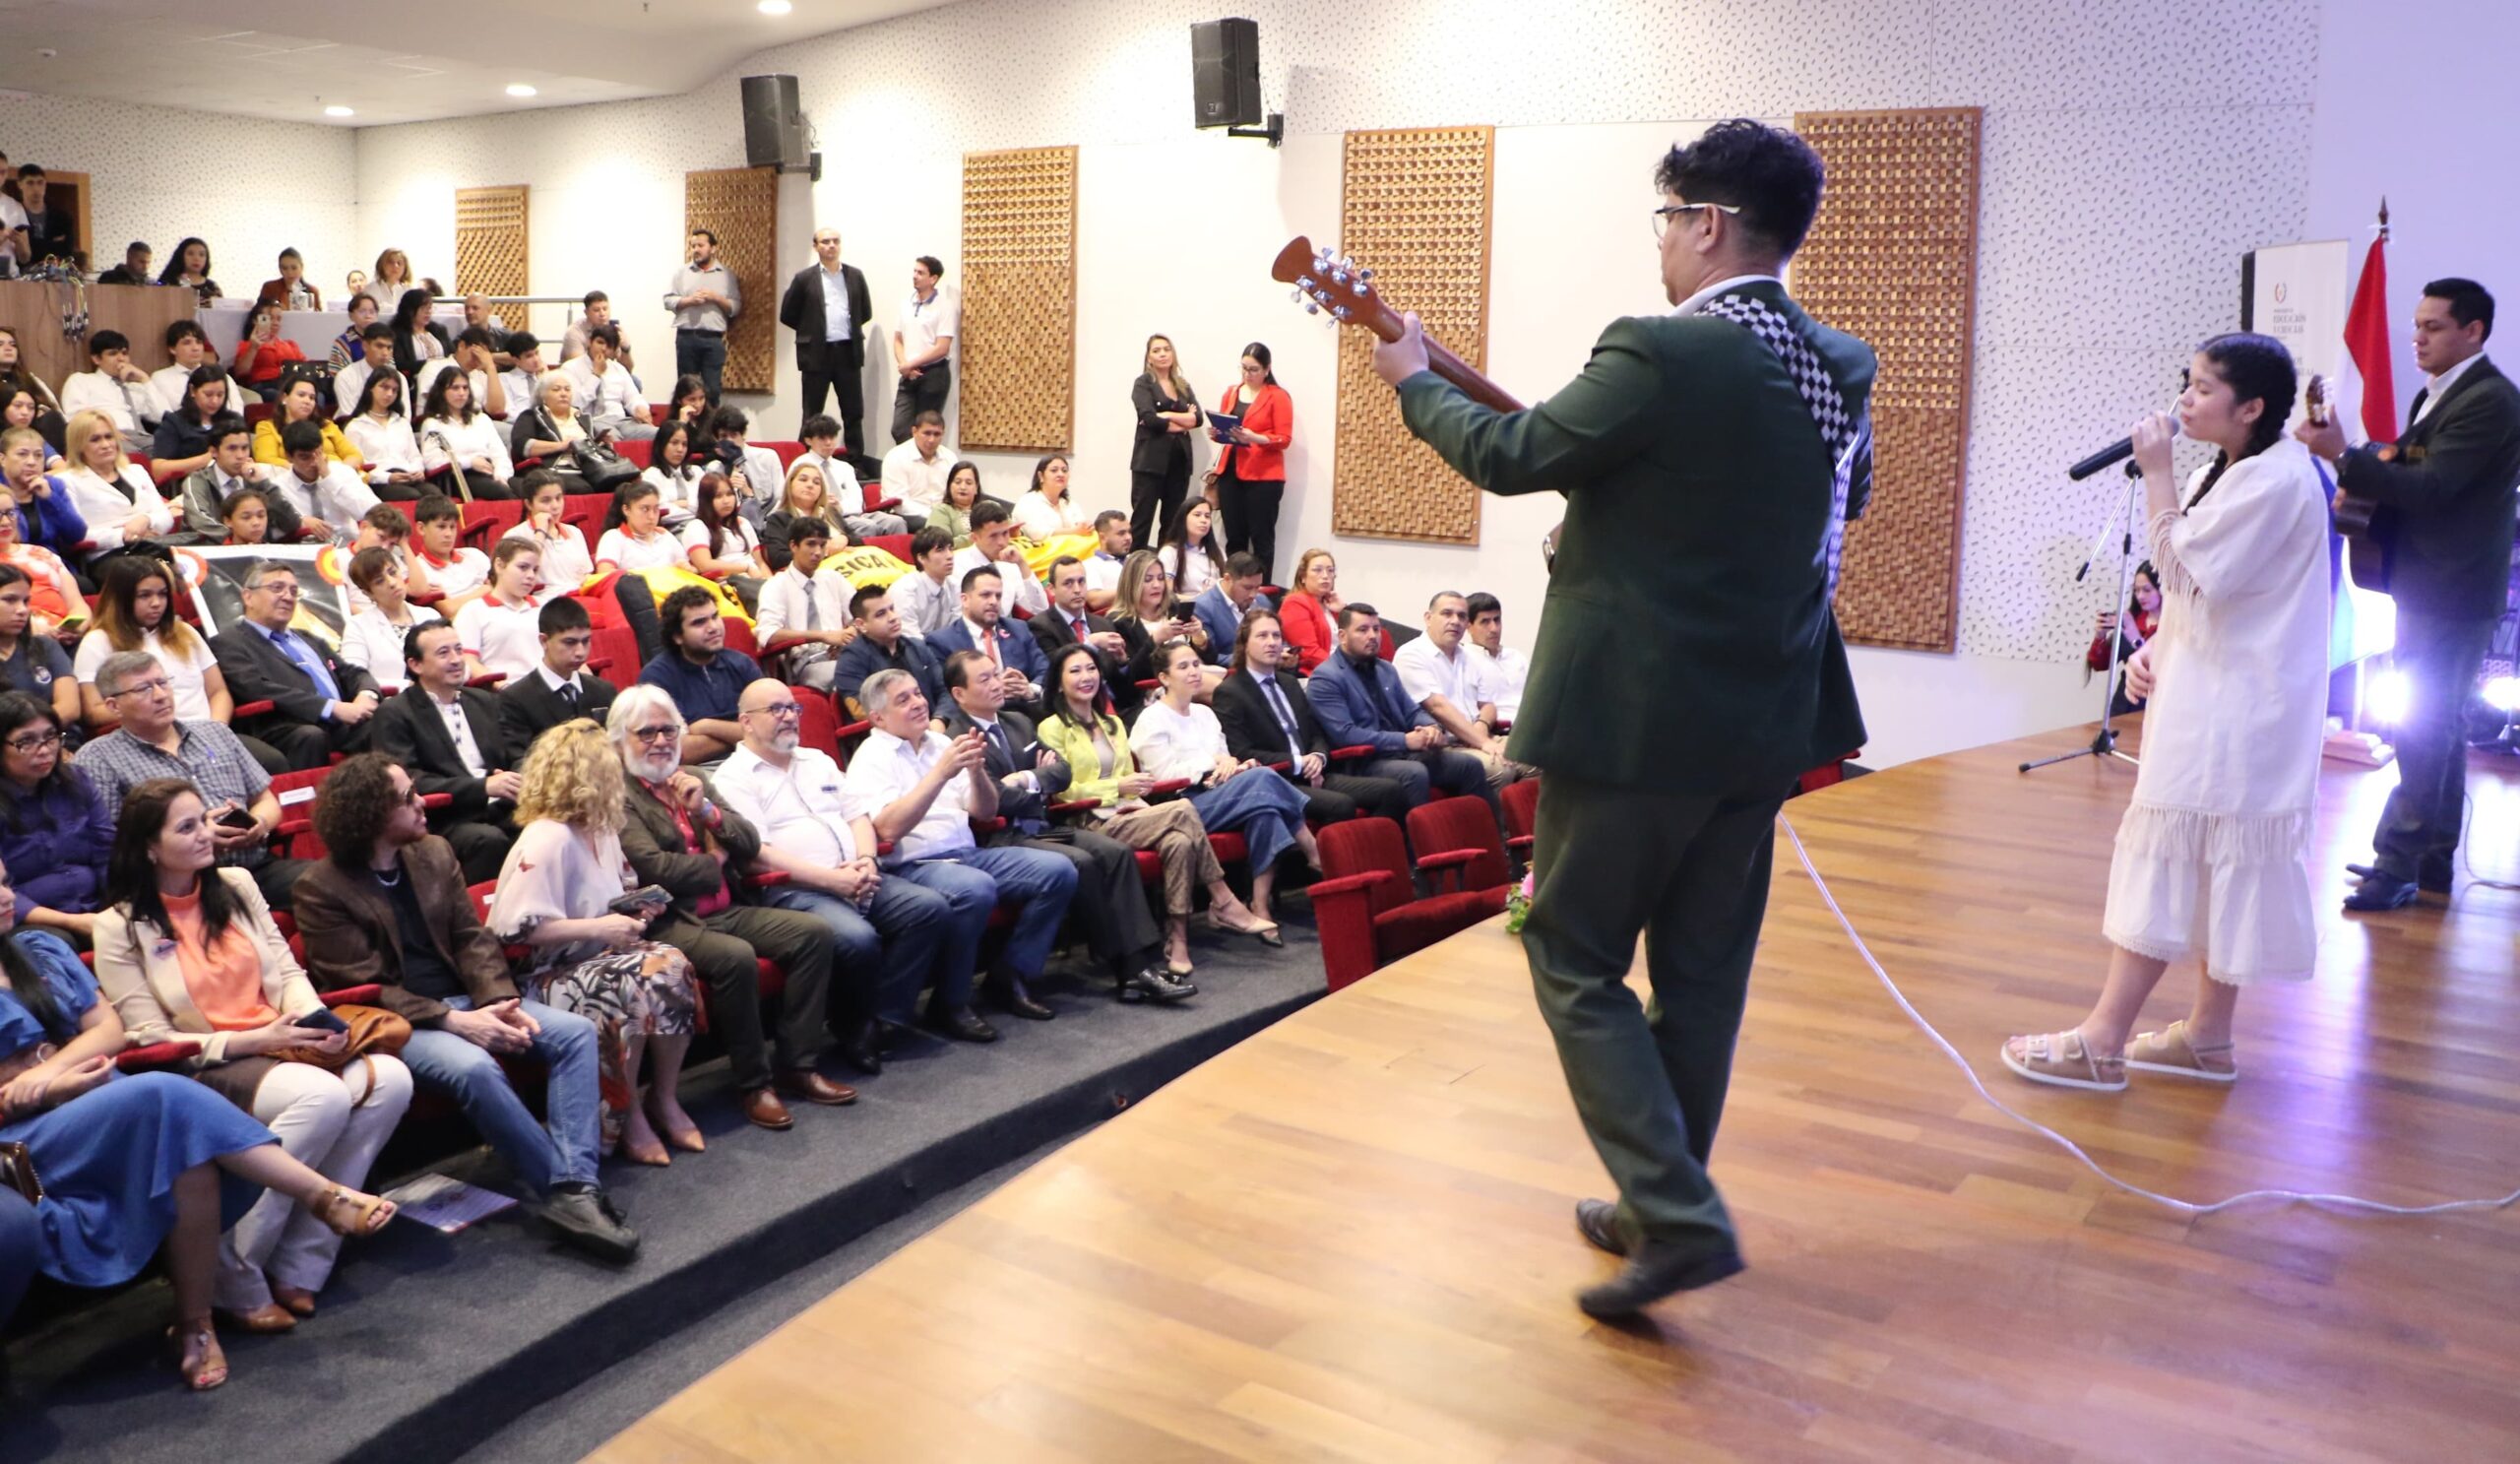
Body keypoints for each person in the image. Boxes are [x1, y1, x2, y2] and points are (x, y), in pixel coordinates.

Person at [1370, 120, 1875, 1315]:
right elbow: (1819, 498)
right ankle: (1658, 1205)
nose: (1662, 243)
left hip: (1639, 720)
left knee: (1569, 949)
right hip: (1766, 719)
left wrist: (1411, 383)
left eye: (1667, 218)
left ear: (1706, 222)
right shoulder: (1837, 362)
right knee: (1701, 977)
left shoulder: (1661, 346)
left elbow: (1512, 453)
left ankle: (1680, 1212)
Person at [2003, 335, 2330, 1098]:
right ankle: (2208, 1037)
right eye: (2188, 381)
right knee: (2215, 862)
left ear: (2251, 407)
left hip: (2234, 710)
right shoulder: (2243, 467)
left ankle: (2101, 1041)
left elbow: (2181, 568)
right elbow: (2220, 589)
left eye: (2205, 387)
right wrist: (2157, 647)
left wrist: (2157, 473)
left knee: (2179, 857)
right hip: (2224, 694)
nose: (2186, 397)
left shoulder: (2274, 479)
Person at [1, 867, 391, 1392]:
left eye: (7, 882)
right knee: (166, 1095)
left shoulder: (40, 948)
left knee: (189, 1151)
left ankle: (196, 1326)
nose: (7, 896)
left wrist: (47, 1070)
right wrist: (50, 1088)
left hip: (99, 1096)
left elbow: (109, 1031)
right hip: (25, 1130)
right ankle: (321, 1194)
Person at [94, 778, 414, 1329]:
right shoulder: (118, 925)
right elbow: (148, 1037)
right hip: (209, 1062)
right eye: (187, 827)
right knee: (322, 1096)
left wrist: (315, 1021)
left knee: (390, 1078)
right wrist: (252, 1041)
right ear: (149, 847)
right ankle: (233, 1271)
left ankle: (301, 1263)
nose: (206, 833)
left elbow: (287, 972)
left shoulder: (237, 884)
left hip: (282, 1038)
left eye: (204, 819)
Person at [293, 754, 636, 1261]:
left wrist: (499, 1001)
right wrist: (454, 1020)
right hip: (403, 1022)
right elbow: (364, 986)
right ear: (371, 815)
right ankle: (566, 1193)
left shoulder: (433, 852)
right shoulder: (321, 888)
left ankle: (575, 1186)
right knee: (474, 1067)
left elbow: (471, 938)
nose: (422, 803)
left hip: (469, 1001)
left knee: (575, 1034)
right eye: (407, 798)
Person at [2299, 277, 2520, 910]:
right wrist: (2363, 469)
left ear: (2473, 331)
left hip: (2453, 587)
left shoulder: (2491, 400)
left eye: (2433, 327)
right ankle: (2430, 861)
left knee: (2423, 726)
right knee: (2438, 723)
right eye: (2417, 325)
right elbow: (2409, 466)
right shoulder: (2440, 392)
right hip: (2432, 582)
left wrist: (2346, 457)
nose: (2417, 338)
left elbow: (2435, 486)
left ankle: (2397, 863)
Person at [607, 685, 850, 1125]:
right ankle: (754, 1085)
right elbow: (656, 869)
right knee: (735, 958)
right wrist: (716, 861)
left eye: (669, 730)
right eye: (647, 733)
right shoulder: (619, 796)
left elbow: (749, 840)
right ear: (621, 740)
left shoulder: (693, 777)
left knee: (813, 934)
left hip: (726, 908)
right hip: (668, 921)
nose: (661, 741)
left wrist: (708, 813)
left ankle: (798, 1065)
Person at [485, 719, 704, 1166]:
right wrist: (600, 928)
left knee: (672, 964)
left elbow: (617, 895)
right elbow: (516, 931)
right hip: (547, 973)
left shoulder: (602, 828)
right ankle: (628, 1114)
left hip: (601, 955)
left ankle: (663, 1096)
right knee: (630, 981)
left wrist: (636, 911)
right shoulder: (546, 837)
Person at [716, 677, 961, 1069]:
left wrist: (866, 859)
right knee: (858, 939)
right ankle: (854, 1024)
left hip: (855, 875)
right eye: (775, 710)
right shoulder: (732, 778)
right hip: (796, 890)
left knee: (928, 909)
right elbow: (756, 856)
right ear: (745, 721)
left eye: (792, 708)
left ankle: (880, 1018)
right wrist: (831, 880)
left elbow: (858, 816)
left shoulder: (818, 760)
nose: (789, 717)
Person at [935, 654, 1188, 1004]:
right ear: (959, 694)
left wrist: (1026, 778)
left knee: (1115, 853)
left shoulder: (1018, 721)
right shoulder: (957, 738)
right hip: (999, 836)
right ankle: (1131, 970)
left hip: (1041, 826)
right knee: (1082, 863)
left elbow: (1062, 773)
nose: (996, 684)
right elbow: (996, 799)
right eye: (984, 679)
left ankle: (1141, 963)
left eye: (996, 674)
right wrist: (1038, 785)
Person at [843, 668, 1077, 1035]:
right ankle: (951, 1003)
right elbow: (887, 829)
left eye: (917, 693)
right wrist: (940, 774)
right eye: (903, 699)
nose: (918, 703)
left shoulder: (940, 743)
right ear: (878, 718)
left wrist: (977, 772)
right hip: (914, 864)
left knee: (1058, 871)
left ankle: (1010, 975)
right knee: (974, 888)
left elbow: (985, 811)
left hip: (967, 853)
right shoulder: (871, 756)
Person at [1032, 645, 1276, 977]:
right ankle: (1223, 898)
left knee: (1180, 841)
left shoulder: (1113, 724)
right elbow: (1063, 789)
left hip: (1131, 812)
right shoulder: (1051, 728)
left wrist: (1133, 789)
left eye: (1091, 669)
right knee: (1183, 809)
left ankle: (1179, 941)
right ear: (1059, 684)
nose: (1086, 677)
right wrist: (1117, 787)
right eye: (1075, 671)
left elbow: (1129, 782)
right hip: (1088, 820)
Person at [1130, 641, 1320, 925]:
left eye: (1196, 664)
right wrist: (1213, 763)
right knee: (1263, 779)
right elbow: (1164, 776)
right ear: (1164, 678)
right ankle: (1313, 850)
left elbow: (1224, 758)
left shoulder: (1205, 713)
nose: (1194, 671)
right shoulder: (1151, 719)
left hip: (1219, 790)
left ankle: (1259, 904)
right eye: (1183, 667)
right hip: (1180, 805)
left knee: (1265, 810)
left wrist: (1235, 765)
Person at [1307, 603, 1502, 823]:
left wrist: (1431, 727)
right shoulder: (1327, 678)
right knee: (1414, 773)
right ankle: (1421, 842)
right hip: (1363, 762)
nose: (1372, 636)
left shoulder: (1385, 669)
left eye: (1376, 629)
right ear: (1342, 636)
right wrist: (1405, 740)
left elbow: (1412, 712)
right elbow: (1345, 735)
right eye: (1363, 630)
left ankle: (1483, 836)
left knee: (1469, 765)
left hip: (1401, 753)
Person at [1215, 610, 1410, 824]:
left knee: (1391, 791)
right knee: (1341, 804)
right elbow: (1242, 752)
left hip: (1314, 772)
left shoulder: (1289, 682)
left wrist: (1318, 756)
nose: (1271, 642)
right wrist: (1299, 763)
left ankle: (1368, 845)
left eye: (1276, 636)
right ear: (1244, 643)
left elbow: (1316, 731)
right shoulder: (1231, 692)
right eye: (1262, 636)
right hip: (1277, 780)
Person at [377, 620, 526, 884]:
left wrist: (517, 776)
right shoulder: (395, 713)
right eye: (444, 653)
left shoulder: (483, 701)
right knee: (486, 840)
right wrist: (482, 787)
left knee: (549, 823)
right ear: (416, 665)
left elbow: (515, 752)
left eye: (459, 650)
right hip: (446, 816)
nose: (457, 660)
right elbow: (410, 780)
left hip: (502, 806)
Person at [212, 558, 385, 769]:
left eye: (294, 591)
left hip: (340, 723)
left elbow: (352, 673)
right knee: (311, 736)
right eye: (277, 588)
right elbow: (255, 688)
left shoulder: (308, 639)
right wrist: (330, 708)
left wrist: (366, 695)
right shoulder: (229, 642)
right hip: (285, 726)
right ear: (248, 596)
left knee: (391, 715)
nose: (287, 597)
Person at [75, 554, 246, 738]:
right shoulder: (97, 642)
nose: (156, 603)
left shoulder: (185, 632)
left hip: (208, 734)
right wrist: (141, 710)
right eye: (144, 595)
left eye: (162, 594)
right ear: (121, 599)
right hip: (149, 741)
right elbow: (93, 712)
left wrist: (216, 730)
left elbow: (218, 692)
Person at [1393, 590, 1537, 795]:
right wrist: (1483, 742)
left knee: (1536, 757)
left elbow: (1488, 705)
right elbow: (1438, 707)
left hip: (1476, 736)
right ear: (1428, 618)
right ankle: (1492, 816)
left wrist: (1481, 727)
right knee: (1500, 769)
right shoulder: (1411, 654)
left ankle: (1524, 815)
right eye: (1447, 614)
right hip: (1442, 746)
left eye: (1461, 616)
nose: (1455, 621)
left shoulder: (1467, 655)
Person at [0, 692, 112, 938]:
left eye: (50, 737)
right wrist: (74, 922)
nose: (44, 750)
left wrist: (118, 906)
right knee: (57, 941)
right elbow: (4, 896)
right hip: (29, 922)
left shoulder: (77, 781)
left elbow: (107, 850)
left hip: (96, 909)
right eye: (26, 741)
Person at [637, 584, 761, 764]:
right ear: (677, 636)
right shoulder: (657, 677)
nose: (713, 627)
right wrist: (742, 735)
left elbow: (768, 729)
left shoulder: (741, 664)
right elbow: (678, 751)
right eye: (699, 622)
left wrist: (707, 726)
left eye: (715, 616)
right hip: (700, 770)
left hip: (756, 760)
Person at [780, 227, 875, 455]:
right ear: (815, 246)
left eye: (835, 241)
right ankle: (805, 458)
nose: (831, 245)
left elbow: (865, 311)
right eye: (825, 241)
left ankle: (855, 460)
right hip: (816, 353)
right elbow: (788, 314)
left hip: (847, 351)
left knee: (853, 412)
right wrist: (811, 330)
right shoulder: (804, 279)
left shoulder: (854, 276)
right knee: (812, 412)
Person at [1205, 342, 1292, 578]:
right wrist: (1217, 433)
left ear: (1267, 369)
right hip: (1231, 471)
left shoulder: (1277, 396)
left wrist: (1255, 437)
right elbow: (1227, 429)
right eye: (1243, 368)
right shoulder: (1232, 392)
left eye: (1253, 369)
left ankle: (1261, 590)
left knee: (1262, 538)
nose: (1247, 374)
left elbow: (1284, 439)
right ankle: (1234, 586)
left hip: (1264, 477)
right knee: (1234, 536)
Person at [498, 596, 619, 751]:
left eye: (585, 641)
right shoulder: (516, 699)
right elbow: (519, 759)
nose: (580, 652)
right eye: (569, 642)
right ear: (544, 641)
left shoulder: (604, 691)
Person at [753, 516, 855, 690]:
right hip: (804, 663)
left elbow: (860, 616)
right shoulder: (776, 585)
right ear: (793, 546)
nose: (818, 552)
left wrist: (850, 633)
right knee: (850, 674)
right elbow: (767, 635)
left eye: (822, 545)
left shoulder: (833, 578)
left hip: (842, 655)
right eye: (811, 544)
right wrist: (822, 636)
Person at [930, 565, 1047, 716]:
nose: (994, 601)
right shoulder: (942, 642)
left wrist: (1030, 689)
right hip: (975, 718)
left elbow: (1044, 669)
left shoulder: (1018, 629)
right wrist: (993, 687)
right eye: (985, 595)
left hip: (1024, 712)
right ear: (965, 600)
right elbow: (946, 694)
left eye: (998, 596)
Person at [1028, 554, 1136, 717]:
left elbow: (1121, 687)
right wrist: (1090, 643)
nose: (1077, 589)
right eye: (1068, 583)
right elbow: (1055, 674)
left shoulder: (1103, 624)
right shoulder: (1040, 626)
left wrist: (1122, 663)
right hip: (1072, 713)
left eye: (1081, 581)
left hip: (1118, 708)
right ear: (1051, 589)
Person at [58, 408, 176, 551]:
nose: (105, 445)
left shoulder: (137, 471)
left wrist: (146, 519)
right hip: (108, 553)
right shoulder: (66, 481)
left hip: (154, 543)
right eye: (95, 440)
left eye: (109, 437)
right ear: (78, 446)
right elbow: (74, 535)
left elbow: (165, 516)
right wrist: (124, 535)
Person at [1109, 549, 1218, 705]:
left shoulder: (1174, 608)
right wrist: (1156, 639)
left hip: (1195, 675)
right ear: (1132, 584)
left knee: (1227, 693)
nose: (1157, 585)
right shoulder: (1118, 622)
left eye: (1161, 578)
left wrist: (1199, 636)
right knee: (1224, 693)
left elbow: (1211, 659)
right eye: (1148, 580)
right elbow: (1131, 677)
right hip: (1155, 690)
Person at [334, 544, 443, 693]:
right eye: (379, 581)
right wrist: (408, 686)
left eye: (393, 572)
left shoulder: (430, 616)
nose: (392, 582)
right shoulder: (358, 626)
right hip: (391, 702)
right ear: (368, 593)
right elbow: (354, 677)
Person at [832, 582, 946, 721]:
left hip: (933, 725)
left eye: (892, 609)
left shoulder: (918, 647)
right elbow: (861, 711)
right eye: (881, 614)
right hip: (887, 731)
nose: (893, 617)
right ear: (861, 625)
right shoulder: (851, 660)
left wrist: (940, 719)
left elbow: (944, 690)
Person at [1130, 335, 1203, 547]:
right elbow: (1150, 418)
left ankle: (1166, 565)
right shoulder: (1143, 383)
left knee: (1172, 523)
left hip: (1179, 463)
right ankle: (1134, 563)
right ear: (1148, 357)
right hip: (1149, 464)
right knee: (1142, 521)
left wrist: (1167, 415)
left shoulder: (1182, 385)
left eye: (1166, 349)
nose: (1162, 354)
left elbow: (1198, 419)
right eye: (1156, 351)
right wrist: (1183, 420)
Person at [178, 424, 300, 542]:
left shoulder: (256, 479)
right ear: (214, 451)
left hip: (259, 551)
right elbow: (199, 521)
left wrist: (263, 484)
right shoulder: (197, 481)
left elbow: (291, 523)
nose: (240, 456)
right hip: (209, 551)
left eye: (245, 448)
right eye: (232, 448)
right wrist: (236, 539)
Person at [1279, 547, 1390, 673]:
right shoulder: (1295, 603)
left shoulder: (1332, 604)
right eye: (1317, 570)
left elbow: (1368, 638)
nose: (1325, 576)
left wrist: (1343, 610)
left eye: (1330, 570)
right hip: (1321, 673)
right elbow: (1309, 652)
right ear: (1303, 577)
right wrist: (1349, 670)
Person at [665, 228, 742, 404]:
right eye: (693, 246)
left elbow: (736, 307)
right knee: (686, 389)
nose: (696, 250)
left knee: (712, 390)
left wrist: (716, 298)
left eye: (700, 245)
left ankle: (710, 422)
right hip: (686, 337)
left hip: (713, 339)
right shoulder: (682, 273)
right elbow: (668, 301)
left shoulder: (726, 275)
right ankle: (686, 421)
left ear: (713, 248)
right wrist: (689, 300)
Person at [454, 538, 546, 681]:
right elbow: (468, 660)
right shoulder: (473, 610)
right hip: (500, 690)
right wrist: (500, 685)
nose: (531, 576)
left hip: (546, 688)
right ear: (499, 565)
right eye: (523, 567)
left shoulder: (544, 607)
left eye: (535, 570)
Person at [797, 412, 902, 538]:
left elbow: (858, 502)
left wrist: (839, 507)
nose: (828, 443)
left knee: (896, 522)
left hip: (851, 513)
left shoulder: (844, 467)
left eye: (832, 437)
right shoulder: (801, 465)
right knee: (867, 526)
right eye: (822, 438)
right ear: (808, 440)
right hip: (823, 518)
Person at [416, 368, 516, 499]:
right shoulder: (432, 423)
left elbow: (500, 454)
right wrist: (470, 462)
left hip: (491, 472)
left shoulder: (481, 419)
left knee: (526, 489)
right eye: (455, 388)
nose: (462, 393)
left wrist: (501, 476)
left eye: (465, 388)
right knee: (502, 493)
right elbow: (432, 462)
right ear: (441, 392)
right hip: (459, 476)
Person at [0, 565, 77, 732]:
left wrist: (37, 738)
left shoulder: (45, 645)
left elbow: (69, 707)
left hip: (57, 738)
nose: (22, 610)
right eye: (10, 600)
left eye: (26, 601)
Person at [891, 254, 957, 443]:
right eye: (914, 271)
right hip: (908, 374)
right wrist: (905, 365)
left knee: (926, 430)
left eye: (920, 273)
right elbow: (898, 339)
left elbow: (942, 347)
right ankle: (910, 460)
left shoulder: (944, 306)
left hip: (933, 374)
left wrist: (911, 364)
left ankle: (923, 461)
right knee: (899, 429)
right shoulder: (906, 303)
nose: (915, 276)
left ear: (933, 278)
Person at [151, 322, 252, 445]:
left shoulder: (221, 376)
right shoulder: (161, 377)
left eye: (199, 342)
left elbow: (236, 408)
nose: (195, 348)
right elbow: (167, 413)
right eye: (187, 343)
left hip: (225, 433)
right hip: (187, 435)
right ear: (172, 349)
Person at [60, 329, 161, 448]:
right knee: (130, 453)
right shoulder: (81, 380)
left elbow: (161, 417)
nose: (121, 359)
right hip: (106, 437)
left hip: (143, 438)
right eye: (113, 353)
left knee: (170, 451)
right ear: (96, 359)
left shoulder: (134, 387)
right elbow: (76, 417)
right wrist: (107, 431)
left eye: (124, 353)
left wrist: (145, 379)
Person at [683, 470, 769, 608]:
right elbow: (704, 565)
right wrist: (745, 568)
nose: (726, 501)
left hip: (756, 581)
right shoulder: (696, 527)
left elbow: (761, 563)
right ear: (706, 500)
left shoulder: (743, 523)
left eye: (729, 494)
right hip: (728, 588)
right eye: (718, 496)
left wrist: (770, 583)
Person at [951, 498, 1050, 616]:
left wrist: (1022, 564)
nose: (1002, 542)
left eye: (1005, 533)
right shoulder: (958, 566)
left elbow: (1040, 609)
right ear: (974, 538)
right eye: (993, 536)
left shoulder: (1010, 564)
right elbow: (958, 615)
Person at [2086, 565, 2162, 716]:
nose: (2140, 596)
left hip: (2153, 704)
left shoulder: (2173, 627)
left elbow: (2157, 667)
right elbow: (2099, 664)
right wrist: (2100, 636)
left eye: (2147, 590)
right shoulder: (2132, 619)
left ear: (2162, 589)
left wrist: (2136, 638)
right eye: (2136, 590)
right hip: (2122, 703)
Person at [505, 467, 596, 593]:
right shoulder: (515, 536)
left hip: (579, 595)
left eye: (558, 498)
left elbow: (586, 575)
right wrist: (540, 532)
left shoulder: (574, 532)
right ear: (529, 504)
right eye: (546, 501)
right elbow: (518, 578)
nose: (555, 506)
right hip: (544, 599)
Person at [344, 368, 427, 499]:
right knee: (412, 496)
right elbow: (358, 466)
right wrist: (387, 477)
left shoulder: (402, 423)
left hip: (407, 475)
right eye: (384, 387)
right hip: (378, 481)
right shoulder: (356, 426)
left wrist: (417, 471)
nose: (389, 394)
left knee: (435, 494)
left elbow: (415, 456)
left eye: (394, 390)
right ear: (371, 388)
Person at [564, 324, 655, 441]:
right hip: (593, 421)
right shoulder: (571, 368)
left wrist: (639, 407)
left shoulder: (618, 369)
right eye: (600, 342)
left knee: (659, 434)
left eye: (609, 346)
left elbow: (633, 397)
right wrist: (595, 376)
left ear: (614, 351)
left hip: (622, 421)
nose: (603, 348)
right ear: (590, 342)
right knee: (613, 439)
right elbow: (575, 404)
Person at [253, 376, 363, 472]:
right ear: (284, 398)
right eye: (301, 395)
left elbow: (355, 455)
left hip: (337, 474)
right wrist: (304, 470)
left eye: (312, 397)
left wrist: (338, 472)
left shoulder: (327, 425)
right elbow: (265, 459)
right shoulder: (267, 427)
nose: (307, 401)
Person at [409, 492, 493, 614]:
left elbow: (504, 587)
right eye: (441, 527)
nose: (448, 534)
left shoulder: (475, 555)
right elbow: (449, 610)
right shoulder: (418, 571)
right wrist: (487, 589)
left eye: (452, 527)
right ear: (421, 528)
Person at [761, 457, 847, 572]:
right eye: (803, 480)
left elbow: (857, 540)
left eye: (816, 482)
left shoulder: (830, 512)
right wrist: (824, 551)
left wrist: (843, 538)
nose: (810, 485)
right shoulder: (778, 519)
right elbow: (777, 558)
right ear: (790, 484)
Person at [1191, 551, 1273, 664]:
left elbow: (1280, 639)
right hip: (1230, 672)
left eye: (1257, 587)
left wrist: (1284, 654)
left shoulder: (1262, 601)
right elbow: (1209, 658)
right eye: (1247, 588)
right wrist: (1254, 659)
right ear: (1227, 579)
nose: (1253, 595)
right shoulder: (1202, 607)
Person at [879, 411, 956, 526]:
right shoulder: (896, 456)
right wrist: (934, 516)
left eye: (937, 434)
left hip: (942, 515)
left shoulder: (950, 457)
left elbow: (954, 494)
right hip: (905, 516)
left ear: (943, 434)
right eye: (927, 433)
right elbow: (899, 502)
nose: (931, 440)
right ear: (914, 431)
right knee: (935, 526)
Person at [1463, 592, 1529, 725]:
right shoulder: (1464, 660)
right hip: (1495, 729)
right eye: (1485, 622)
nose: (1494, 628)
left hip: (1532, 725)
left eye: (1497, 620)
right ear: (1468, 626)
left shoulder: (1516, 657)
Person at [887, 525, 961, 639]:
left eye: (951, 549)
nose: (950, 556)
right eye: (940, 550)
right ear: (921, 558)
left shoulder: (955, 585)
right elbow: (909, 639)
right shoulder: (905, 590)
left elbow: (959, 630)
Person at [332, 323, 410, 429]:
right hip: (355, 431)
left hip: (392, 431)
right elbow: (349, 416)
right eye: (379, 346)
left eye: (389, 348)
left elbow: (405, 416)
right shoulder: (346, 376)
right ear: (365, 346)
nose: (385, 353)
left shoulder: (399, 378)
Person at [511, 370, 593, 470]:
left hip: (590, 468)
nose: (563, 394)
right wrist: (561, 446)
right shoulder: (530, 416)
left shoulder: (583, 417)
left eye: (567, 389)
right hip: (554, 469)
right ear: (542, 395)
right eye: (556, 390)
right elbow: (522, 445)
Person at [230, 302, 307, 406]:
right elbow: (240, 372)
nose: (275, 323)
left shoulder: (290, 344)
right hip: (264, 386)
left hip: (290, 384)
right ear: (256, 320)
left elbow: (305, 366)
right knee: (281, 397)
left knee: (317, 395)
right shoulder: (248, 345)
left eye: (279, 319)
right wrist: (254, 347)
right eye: (270, 318)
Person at [1156, 496, 1227, 603]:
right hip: (1184, 607)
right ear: (1183, 519)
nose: (1203, 520)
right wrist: (1198, 600)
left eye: (1207, 516)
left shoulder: (1218, 552)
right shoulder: (1169, 552)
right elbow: (1166, 594)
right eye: (1197, 515)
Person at [642, 417, 708, 526]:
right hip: (670, 529)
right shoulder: (651, 475)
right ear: (662, 445)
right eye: (674, 443)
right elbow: (662, 512)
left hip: (702, 525)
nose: (680, 449)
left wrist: (682, 504)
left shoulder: (696, 472)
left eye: (684, 444)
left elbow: (708, 505)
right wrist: (696, 508)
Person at [1012, 454, 1089, 541]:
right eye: (1054, 470)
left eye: (1064, 470)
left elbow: (1082, 526)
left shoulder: (1069, 503)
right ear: (1041, 476)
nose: (1061, 474)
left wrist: (1087, 527)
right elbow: (1038, 534)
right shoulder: (1028, 502)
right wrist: (1074, 531)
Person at [390, 288, 446, 381]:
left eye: (429, 308)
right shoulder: (397, 335)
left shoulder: (438, 330)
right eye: (423, 308)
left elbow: (451, 354)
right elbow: (400, 364)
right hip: (416, 380)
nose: (428, 312)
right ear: (410, 311)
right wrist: (428, 364)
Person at [1082, 509, 1131, 613]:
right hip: (1118, 617)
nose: (1128, 537)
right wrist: (1134, 588)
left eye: (1129, 532)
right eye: (1121, 533)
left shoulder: (1137, 560)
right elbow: (1095, 600)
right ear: (1103, 537)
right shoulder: (1090, 565)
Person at [927, 460, 985, 548]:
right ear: (949, 486)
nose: (963, 487)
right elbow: (941, 544)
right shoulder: (941, 511)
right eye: (957, 482)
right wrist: (978, 537)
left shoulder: (986, 509)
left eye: (969, 483)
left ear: (976, 488)